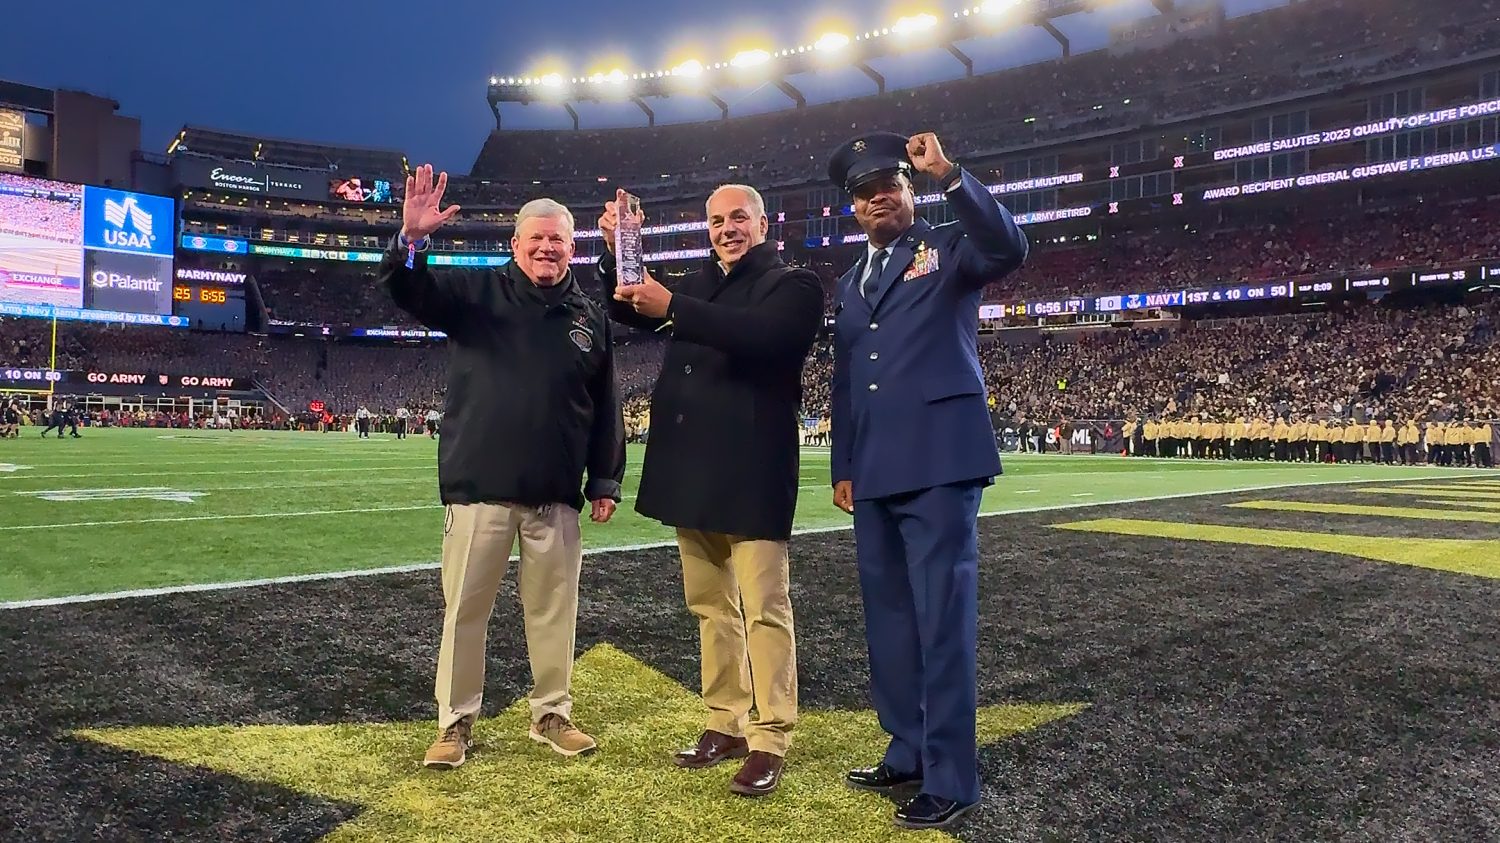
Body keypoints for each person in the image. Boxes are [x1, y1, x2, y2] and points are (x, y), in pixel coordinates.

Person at [378, 165, 625, 769]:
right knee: (465, 610)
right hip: (480, 485)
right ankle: (456, 723)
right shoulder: (474, 295)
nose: (547, 248)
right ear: (516, 244)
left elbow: (606, 403)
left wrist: (606, 478)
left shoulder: (589, 315)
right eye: (536, 238)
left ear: (574, 246)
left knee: (554, 611)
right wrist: (411, 242)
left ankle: (551, 714)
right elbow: (410, 292)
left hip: (557, 490)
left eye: (558, 239)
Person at [827, 131, 1028, 830]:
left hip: (942, 462)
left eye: (892, 183)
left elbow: (1009, 248)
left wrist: (952, 176)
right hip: (875, 470)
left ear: (911, 191)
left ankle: (951, 775)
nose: (880, 195)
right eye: (865, 190)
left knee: (942, 624)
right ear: (852, 208)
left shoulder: (946, 248)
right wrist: (843, 464)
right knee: (890, 623)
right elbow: (847, 379)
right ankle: (907, 748)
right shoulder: (850, 282)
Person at [597, 184, 823, 797]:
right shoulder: (698, 284)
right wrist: (623, 248)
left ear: (763, 223)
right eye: (717, 221)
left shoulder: (793, 284)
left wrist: (673, 301)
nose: (727, 229)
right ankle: (725, 720)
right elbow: (626, 305)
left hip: (749, 472)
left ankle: (771, 735)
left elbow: (764, 338)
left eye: (738, 219)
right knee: (710, 608)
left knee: (764, 610)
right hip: (692, 470)